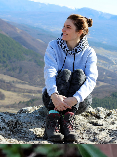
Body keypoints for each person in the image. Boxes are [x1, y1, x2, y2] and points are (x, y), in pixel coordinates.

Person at [42, 14, 98, 143]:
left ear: (79, 32)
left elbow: (91, 79)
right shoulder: (53, 46)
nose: (63, 30)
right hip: (52, 99)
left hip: (77, 103)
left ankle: (68, 121)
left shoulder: (89, 52)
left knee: (79, 74)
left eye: (68, 27)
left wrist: (75, 98)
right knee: (65, 73)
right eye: (63, 26)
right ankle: (52, 121)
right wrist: (54, 95)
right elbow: (49, 71)